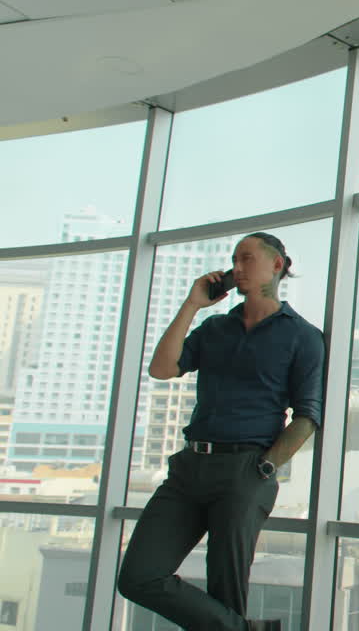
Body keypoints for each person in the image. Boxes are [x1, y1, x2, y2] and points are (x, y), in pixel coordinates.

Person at [117, 232, 324, 631]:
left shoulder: (303, 336)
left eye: (246, 258)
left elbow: (306, 417)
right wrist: (193, 304)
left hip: (245, 470)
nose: (237, 268)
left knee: (225, 594)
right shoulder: (214, 329)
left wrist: (264, 469)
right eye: (234, 260)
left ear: (277, 265)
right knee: (138, 576)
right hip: (188, 469)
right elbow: (162, 368)